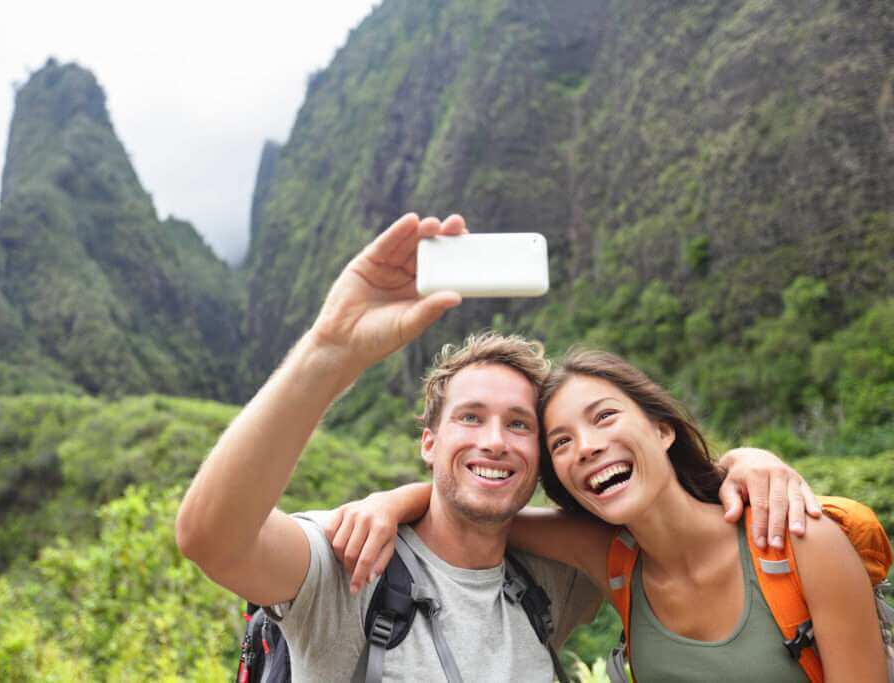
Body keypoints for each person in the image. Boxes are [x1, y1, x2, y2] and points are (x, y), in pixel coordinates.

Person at [176, 213, 818, 682]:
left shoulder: (561, 575)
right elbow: (212, 537)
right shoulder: (352, 560)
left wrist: (743, 462)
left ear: (541, 458)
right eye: (470, 418)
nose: (494, 440)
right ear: (429, 441)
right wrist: (329, 350)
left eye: (519, 425)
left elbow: (670, 520)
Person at [333, 347, 887, 681]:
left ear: (662, 429)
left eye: (604, 418)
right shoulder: (612, 558)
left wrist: (749, 459)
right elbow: (471, 510)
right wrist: (388, 502)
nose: (588, 447)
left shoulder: (796, 540)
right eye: (562, 442)